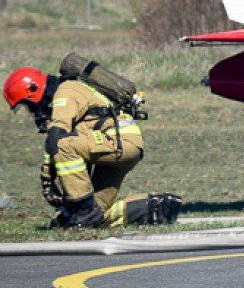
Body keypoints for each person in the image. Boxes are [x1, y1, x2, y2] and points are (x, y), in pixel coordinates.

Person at [4, 65, 180, 229]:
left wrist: (47, 178)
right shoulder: (68, 91)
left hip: (118, 143)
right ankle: (154, 207)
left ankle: (82, 210)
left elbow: (57, 137)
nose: (32, 113)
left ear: (33, 90)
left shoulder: (65, 92)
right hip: (115, 145)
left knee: (64, 146)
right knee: (93, 217)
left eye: (27, 105)